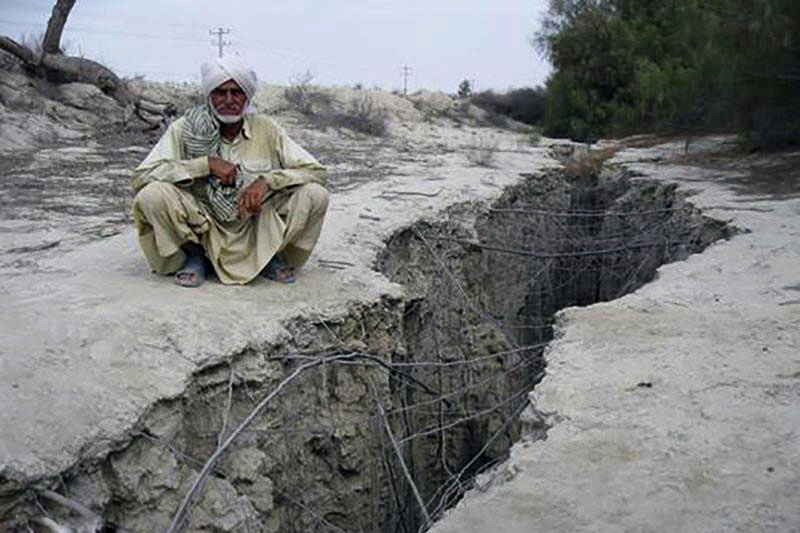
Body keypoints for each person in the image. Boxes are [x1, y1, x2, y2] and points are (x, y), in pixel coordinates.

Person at [131, 56, 329, 287]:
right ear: (209, 95)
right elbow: (141, 177)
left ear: (247, 96)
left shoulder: (267, 128)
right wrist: (205, 165)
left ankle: (270, 255)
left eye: (236, 92)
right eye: (220, 92)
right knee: (152, 195)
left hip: (255, 222)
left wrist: (268, 181)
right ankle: (196, 256)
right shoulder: (184, 128)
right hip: (202, 223)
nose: (228, 100)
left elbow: (317, 172)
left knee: (315, 194)